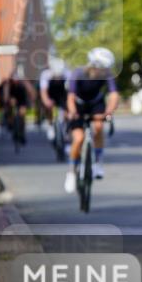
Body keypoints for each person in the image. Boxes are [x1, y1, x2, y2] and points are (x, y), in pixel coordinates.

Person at [65, 48, 120, 192]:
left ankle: (98, 162)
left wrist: (108, 112)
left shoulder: (108, 75)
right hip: (78, 104)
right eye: (101, 68)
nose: (103, 71)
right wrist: (73, 112)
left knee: (98, 127)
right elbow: (70, 97)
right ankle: (71, 172)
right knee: (78, 138)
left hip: (96, 103)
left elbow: (114, 95)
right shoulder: (78, 73)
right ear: (93, 65)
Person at [0, 70, 36, 137]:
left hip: (22, 98)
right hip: (12, 98)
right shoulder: (8, 84)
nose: (15, 82)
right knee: (9, 108)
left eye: (16, 80)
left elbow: (31, 91)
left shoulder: (24, 82)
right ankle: (11, 122)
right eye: (13, 80)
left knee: (22, 113)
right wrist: (7, 100)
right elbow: (6, 94)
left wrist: (32, 100)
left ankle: (22, 130)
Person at [39, 58, 68, 141]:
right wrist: (46, 101)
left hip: (62, 93)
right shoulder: (46, 74)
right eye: (56, 76)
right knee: (48, 107)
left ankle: (65, 127)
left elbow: (71, 92)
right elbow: (43, 91)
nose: (58, 78)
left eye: (59, 76)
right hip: (50, 93)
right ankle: (51, 125)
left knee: (67, 110)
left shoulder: (67, 73)